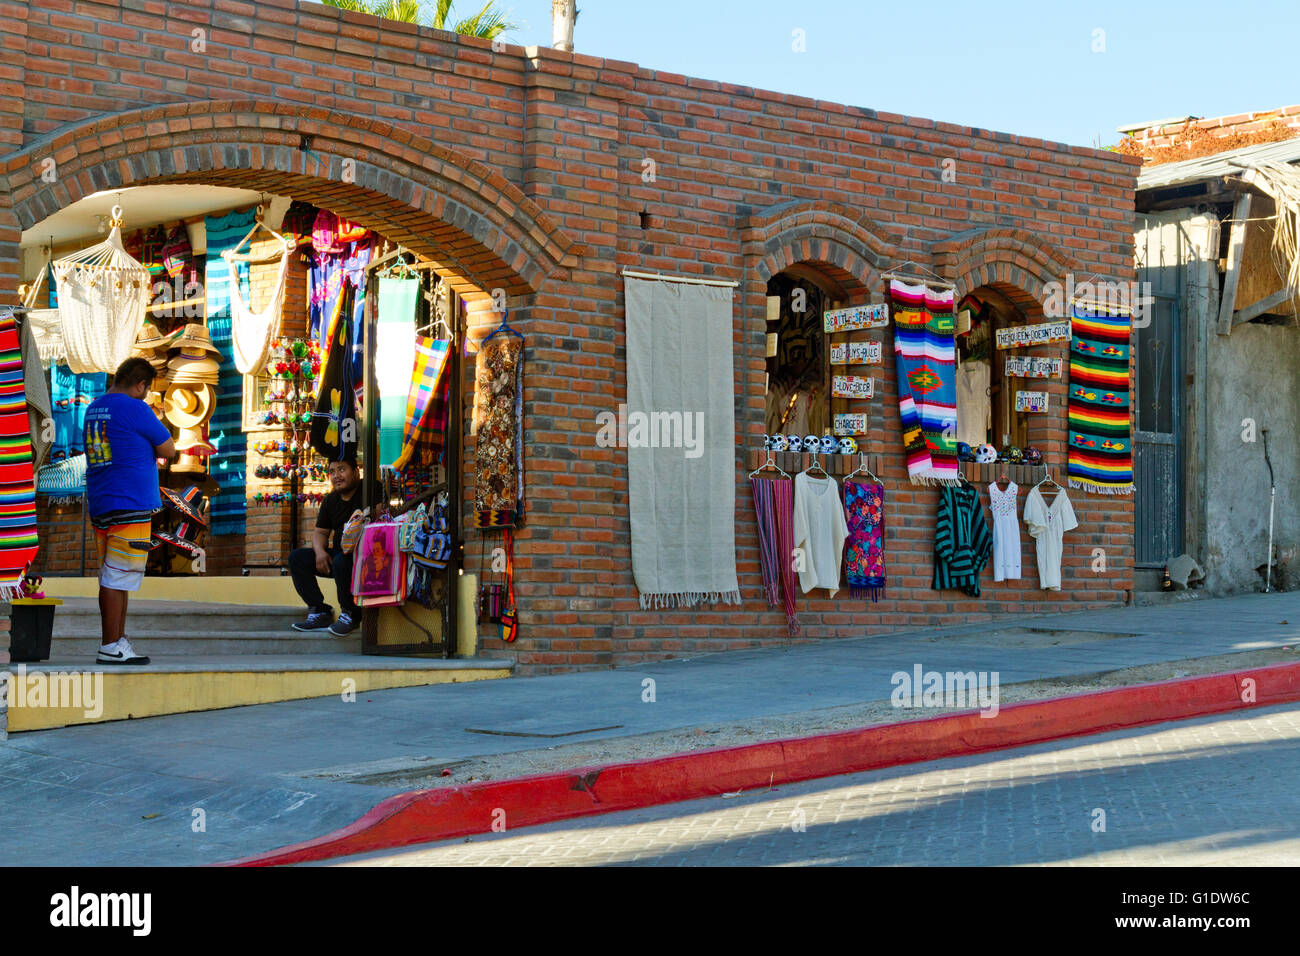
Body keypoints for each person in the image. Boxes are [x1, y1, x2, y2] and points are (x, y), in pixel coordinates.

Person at [85, 357, 175, 665]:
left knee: (112, 575)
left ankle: (117, 642)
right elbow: (168, 449)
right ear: (140, 385)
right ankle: (110, 644)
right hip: (131, 501)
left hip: (101, 501)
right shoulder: (136, 407)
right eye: (147, 389)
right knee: (117, 577)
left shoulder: (93, 407)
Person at [289, 457, 363, 636]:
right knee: (297, 558)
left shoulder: (368, 489)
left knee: (341, 561)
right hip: (338, 557)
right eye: (332, 471)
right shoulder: (331, 500)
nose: (336, 476)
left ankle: (350, 614)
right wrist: (320, 553)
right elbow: (320, 533)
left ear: (356, 472)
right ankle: (320, 611)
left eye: (342, 469)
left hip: (363, 557)